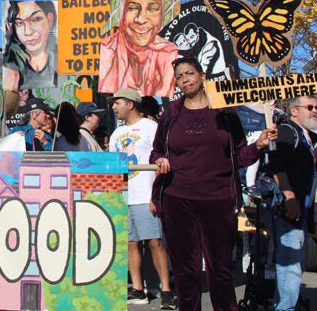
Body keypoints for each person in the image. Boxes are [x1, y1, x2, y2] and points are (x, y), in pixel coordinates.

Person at [150, 57, 277, 311]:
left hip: (219, 200)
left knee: (220, 270)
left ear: (202, 75)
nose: (185, 80)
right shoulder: (171, 113)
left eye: (190, 74)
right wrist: (161, 158)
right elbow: (155, 152)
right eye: (180, 76)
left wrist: (259, 145)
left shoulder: (225, 111)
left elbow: (239, 156)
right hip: (178, 200)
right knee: (186, 271)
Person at [107, 88, 174, 308]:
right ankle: (138, 288)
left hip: (146, 195)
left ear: (130, 104)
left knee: (154, 241)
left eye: (117, 103)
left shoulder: (151, 127)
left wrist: (156, 194)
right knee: (130, 243)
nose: (114, 107)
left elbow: (161, 158)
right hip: (124, 196)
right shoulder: (117, 134)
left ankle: (166, 290)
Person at [267, 95, 317, 310]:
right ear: (294, 111)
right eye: (310, 107)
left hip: (301, 209)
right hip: (289, 209)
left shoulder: (306, 136)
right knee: (291, 264)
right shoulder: (288, 131)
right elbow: (276, 164)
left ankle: (284, 305)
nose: (315, 110)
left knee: (294, 263)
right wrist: (289, 197)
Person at [99, 0, 178, 97]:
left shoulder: (168, 51)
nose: (140, 19)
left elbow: (165, 92)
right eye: (133, 8)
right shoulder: (109, 47)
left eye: (152, 9)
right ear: (122, 13)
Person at [3, 0, 57, 91]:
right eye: (19, 23)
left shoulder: (62, 61)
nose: (28, 32)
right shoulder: (10, 65)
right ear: (12, 27)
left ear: (49, 19)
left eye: (36, 19)